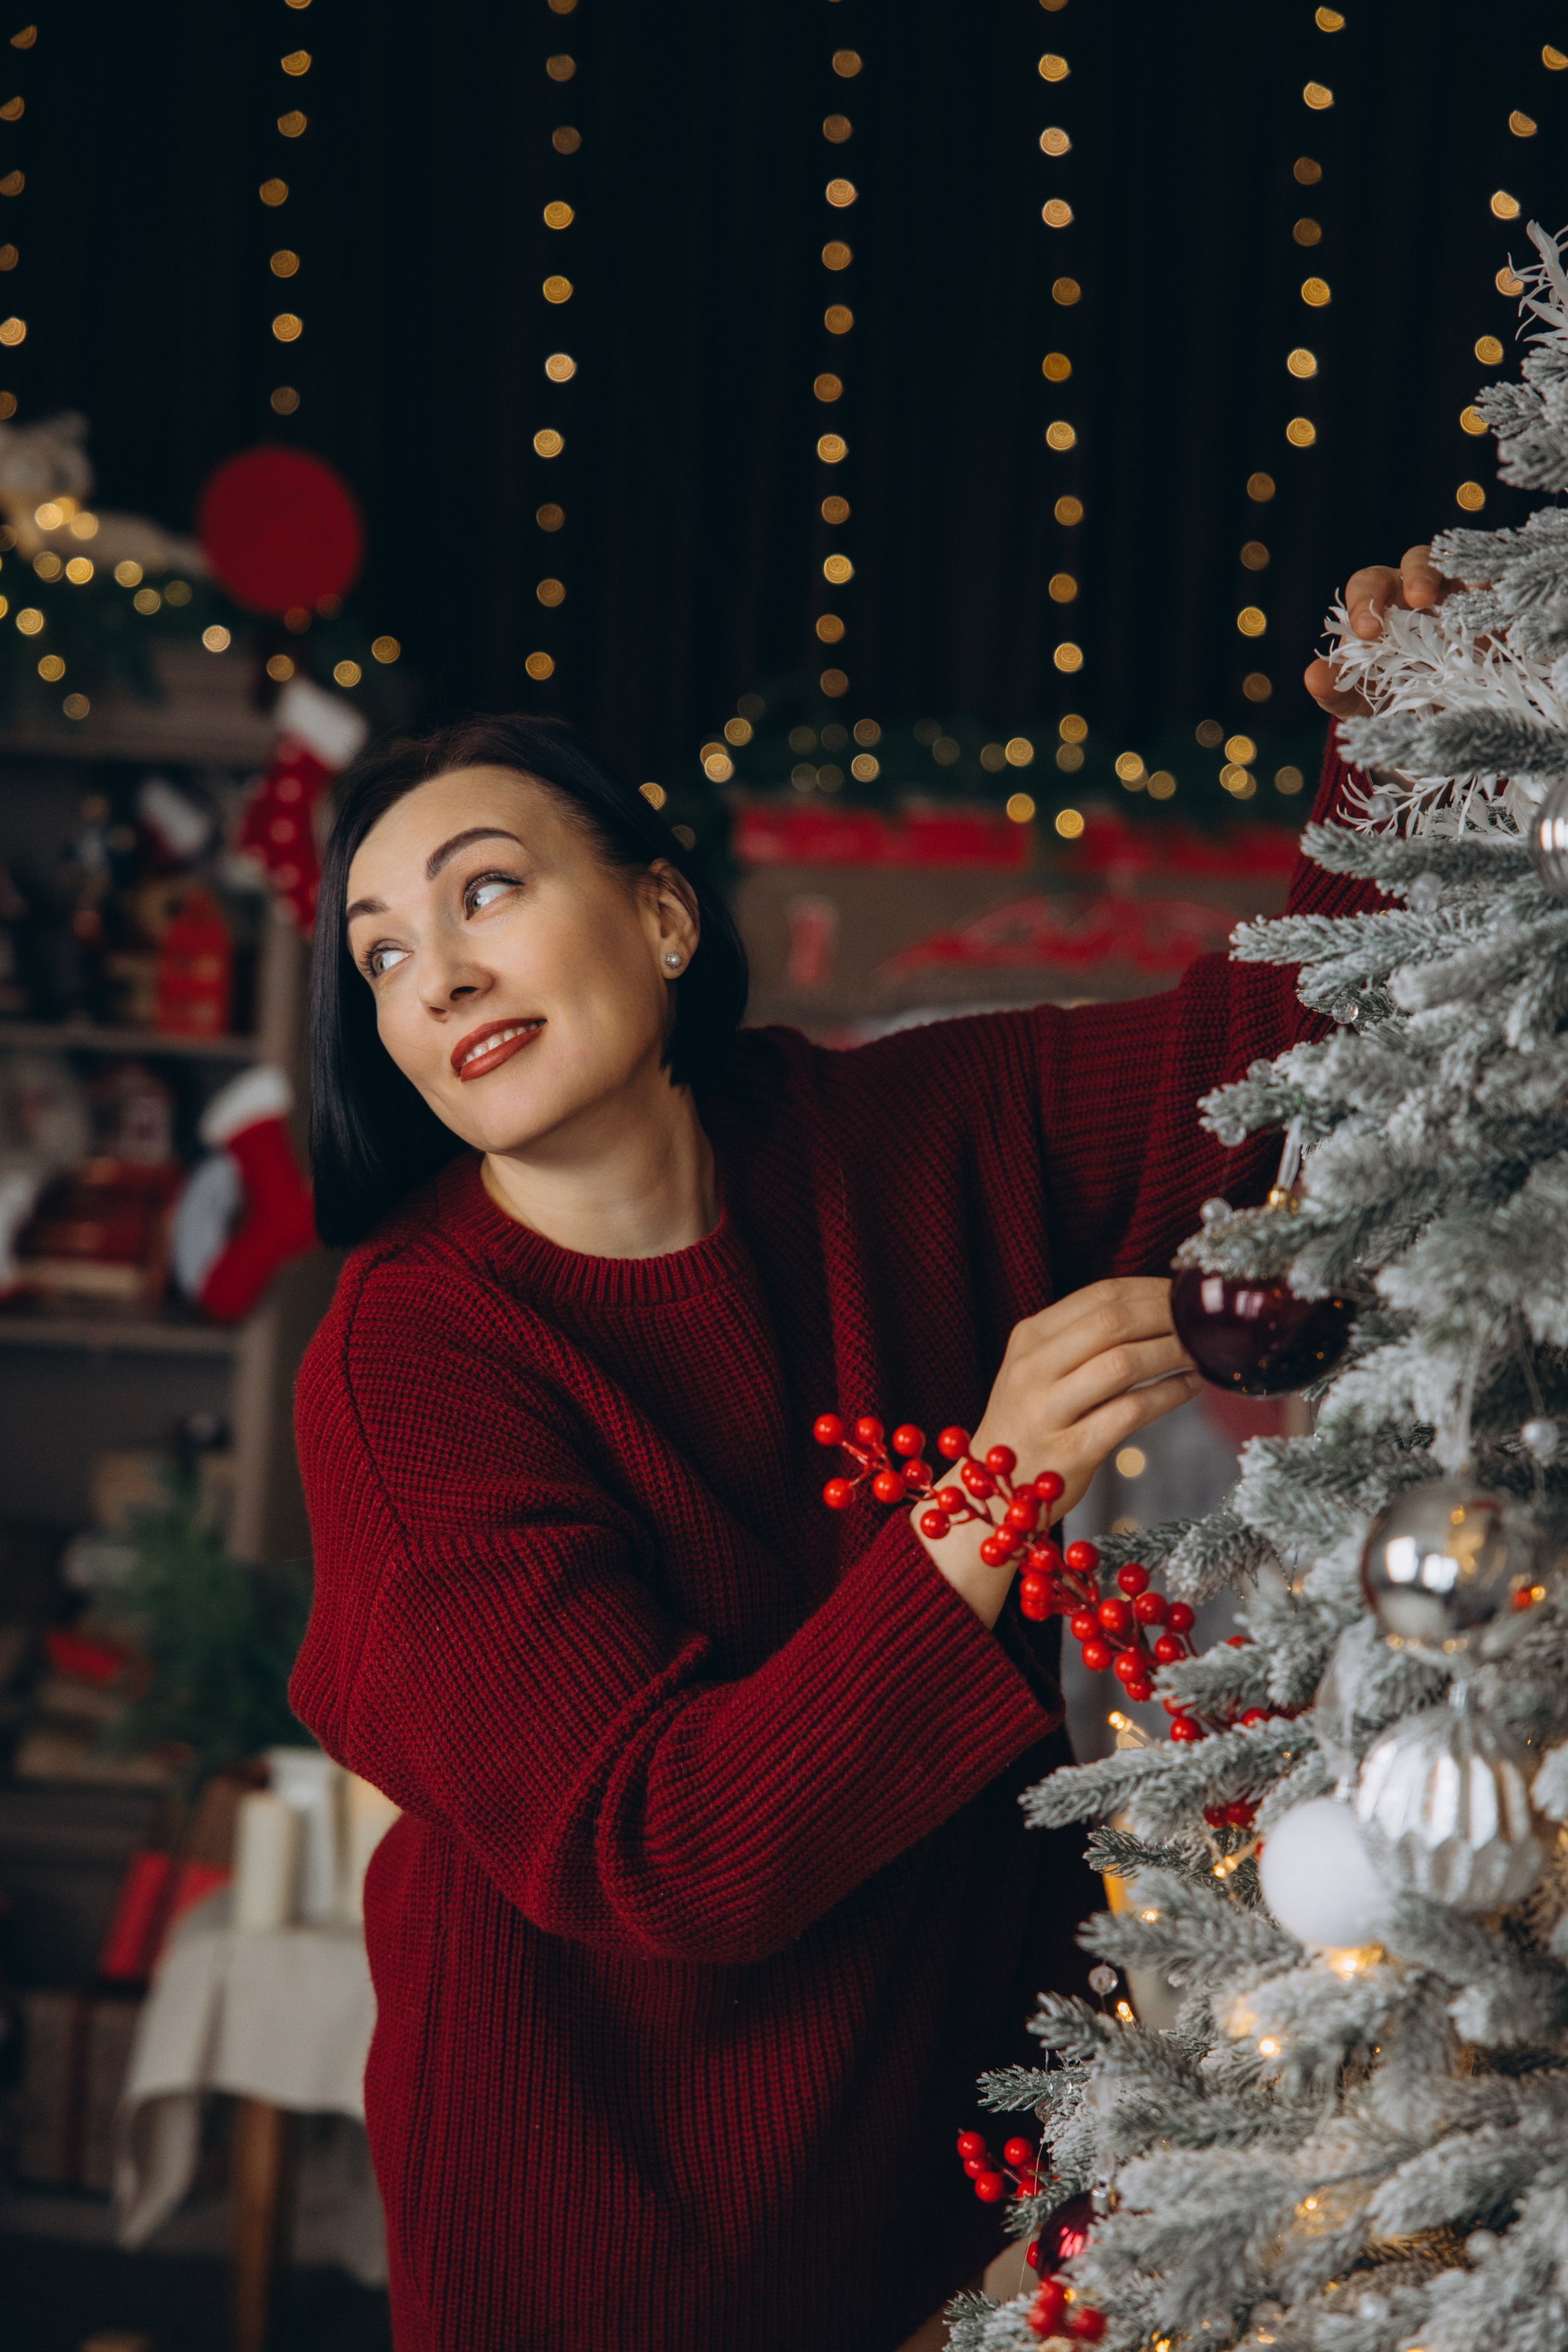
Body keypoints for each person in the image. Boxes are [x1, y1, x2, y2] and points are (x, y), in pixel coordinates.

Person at [290, 553, 1442, 2352]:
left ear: (662, 917)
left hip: (953, 2202)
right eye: (382, 956)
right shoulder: (410, 1363)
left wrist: (1404, 737)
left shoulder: (888, 1139)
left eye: (485, 891)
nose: (437, 975)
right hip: (602, 2253)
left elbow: (1262, 1060)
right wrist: (993, 1492)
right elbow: (670, 1848)